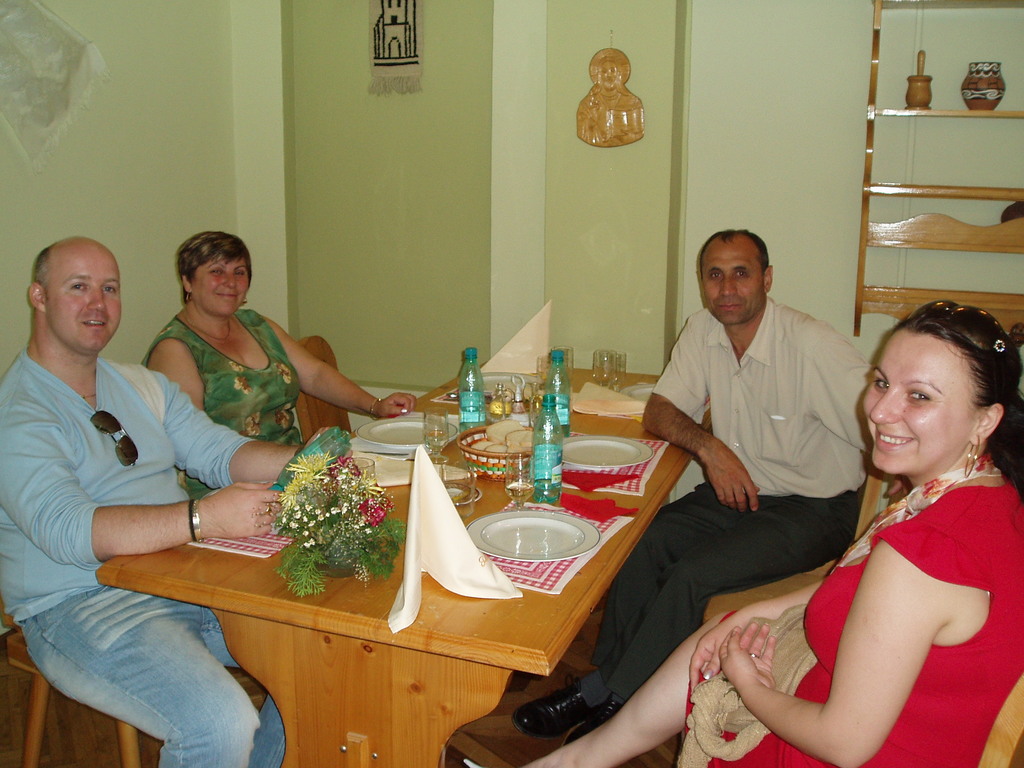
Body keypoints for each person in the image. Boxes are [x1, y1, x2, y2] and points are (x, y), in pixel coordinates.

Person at [518, 299, 1024, 768]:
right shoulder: (981, 497)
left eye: (919, 396)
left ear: (987, 419)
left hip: (844, 744)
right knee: (651, 545)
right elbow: (848, 594)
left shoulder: (925, 552)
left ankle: (588, 748)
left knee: (696, 579)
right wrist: (734, 625)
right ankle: (589, 739)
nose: (881, 410)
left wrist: (745, 682)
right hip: (880, 715)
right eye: (882, 383)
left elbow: (844, 744)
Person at [514, 229, 870, 742]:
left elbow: (885, 424)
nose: (727, 287)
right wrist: (711, 448)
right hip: (738, 490)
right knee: (640, 540)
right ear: (703, 283)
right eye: (715, 274)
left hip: (814, 506)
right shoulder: (703, 330)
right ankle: (613, 684)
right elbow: (662, 409)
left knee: (693, 574)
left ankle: (612, 700)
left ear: (767, 279)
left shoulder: (812, 345)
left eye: (741, 273)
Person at [0, 237, 306, 768]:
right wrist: (201, 518)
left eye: (110, 289)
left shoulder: (140, 385)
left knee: (314, 658)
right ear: (39, 297)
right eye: (79, 287)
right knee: (220, 721)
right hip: (79, 601)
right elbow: (70, 532)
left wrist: (315, 462)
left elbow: (220, 452)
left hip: (183, 574)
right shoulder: (20, 414)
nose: (98, 303)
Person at [145, 231, 416, 497]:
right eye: (217, 271)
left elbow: (315, 374)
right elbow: (195, 445)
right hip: (228, 491)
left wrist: (375, 405)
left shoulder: (257, 325)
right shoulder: (175, 350)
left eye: (239, 272)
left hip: (296, 471)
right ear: (188, 281)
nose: (230, 282)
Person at [576, 48, 644, 147]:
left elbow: (637, 133)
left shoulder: (633, 102)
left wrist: (619, 137)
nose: (608, 75)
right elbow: (583, 132)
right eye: (604, 71)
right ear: (598, 75)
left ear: (619, 74)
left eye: (612, 70)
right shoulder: (588, 104)